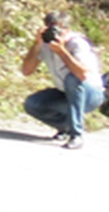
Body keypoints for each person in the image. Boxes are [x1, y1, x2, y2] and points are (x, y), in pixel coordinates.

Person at [21, 13, 103, 150]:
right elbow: (26, 71)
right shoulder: (45, 44)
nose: (54, 34)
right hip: (65, 93)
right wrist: (36, 45)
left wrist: (62, 51)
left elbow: (82, 74)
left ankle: (76, 135)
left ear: (67, 30)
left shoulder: (77, 43)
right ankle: (65, 127)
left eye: (58, 30)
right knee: (33, 104)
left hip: (90, 94)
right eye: (50, 29)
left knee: (72, 79)